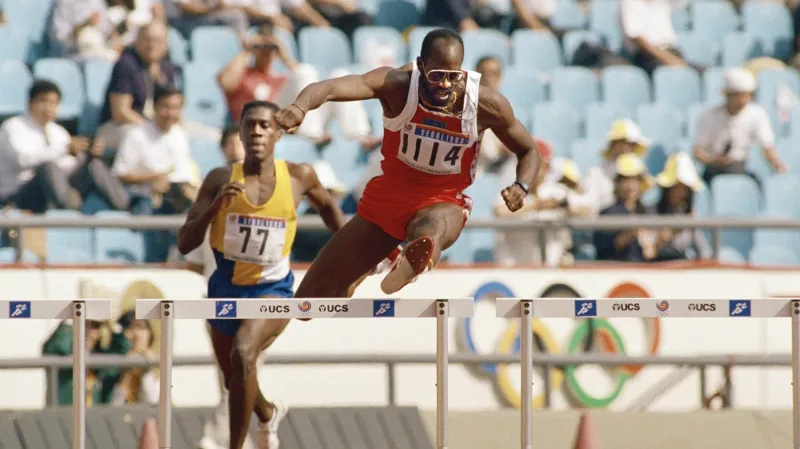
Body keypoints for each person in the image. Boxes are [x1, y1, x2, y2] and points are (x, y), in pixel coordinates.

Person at [274, 28, 541, 297]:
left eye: (453, 76)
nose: (446, 85)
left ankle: (413, 262)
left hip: (442, 199)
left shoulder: (486, 104)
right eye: (437, 76)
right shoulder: (398, 85)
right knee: (311, 301)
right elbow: (331, 88)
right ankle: (384, 258)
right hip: (388, 199)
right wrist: (300, 107)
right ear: (421, 66)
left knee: (432, 230)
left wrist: (522, 185)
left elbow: (529, 150)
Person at [176, 100, 374, 449]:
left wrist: (352, 256)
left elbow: (330, 210)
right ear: (239, 132)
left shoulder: (299, 177)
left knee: (244, 352)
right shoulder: (221, 179)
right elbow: (184, 242)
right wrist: (214, 209)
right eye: (249, 125)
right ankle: (267, 413)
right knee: (233, 377)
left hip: (273, 289)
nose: (256, 131)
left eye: (264, 125)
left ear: (278, 133)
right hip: (224, 287)